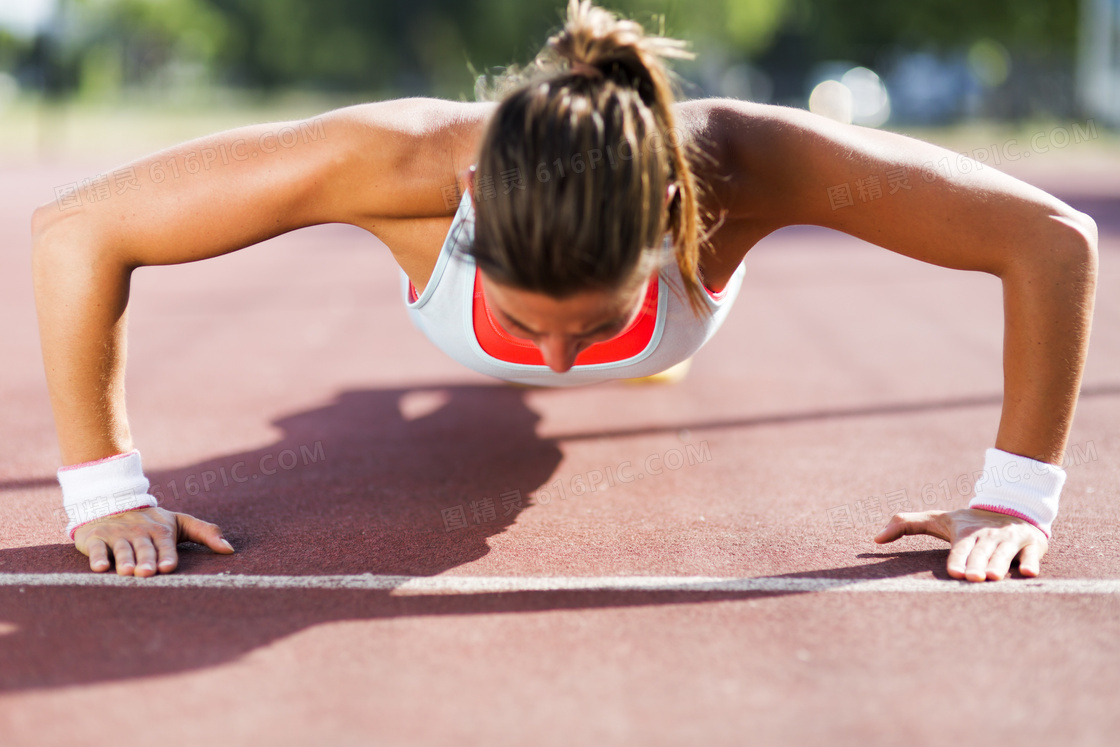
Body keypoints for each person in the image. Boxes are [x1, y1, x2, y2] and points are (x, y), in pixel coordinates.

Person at [30, 0, 1097, 583]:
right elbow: (80, 229)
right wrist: (105, 493)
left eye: (585, 325)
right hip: (450, 328)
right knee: (401, 402)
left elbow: (1052, 241)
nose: (553, 363)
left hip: (675, 320)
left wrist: (1016, 498)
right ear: (469, 208)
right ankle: (366, 398)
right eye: (533, 325)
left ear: (677, 211)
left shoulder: (755, 166)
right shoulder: (387, 162)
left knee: (639, 355)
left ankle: (642, 333)